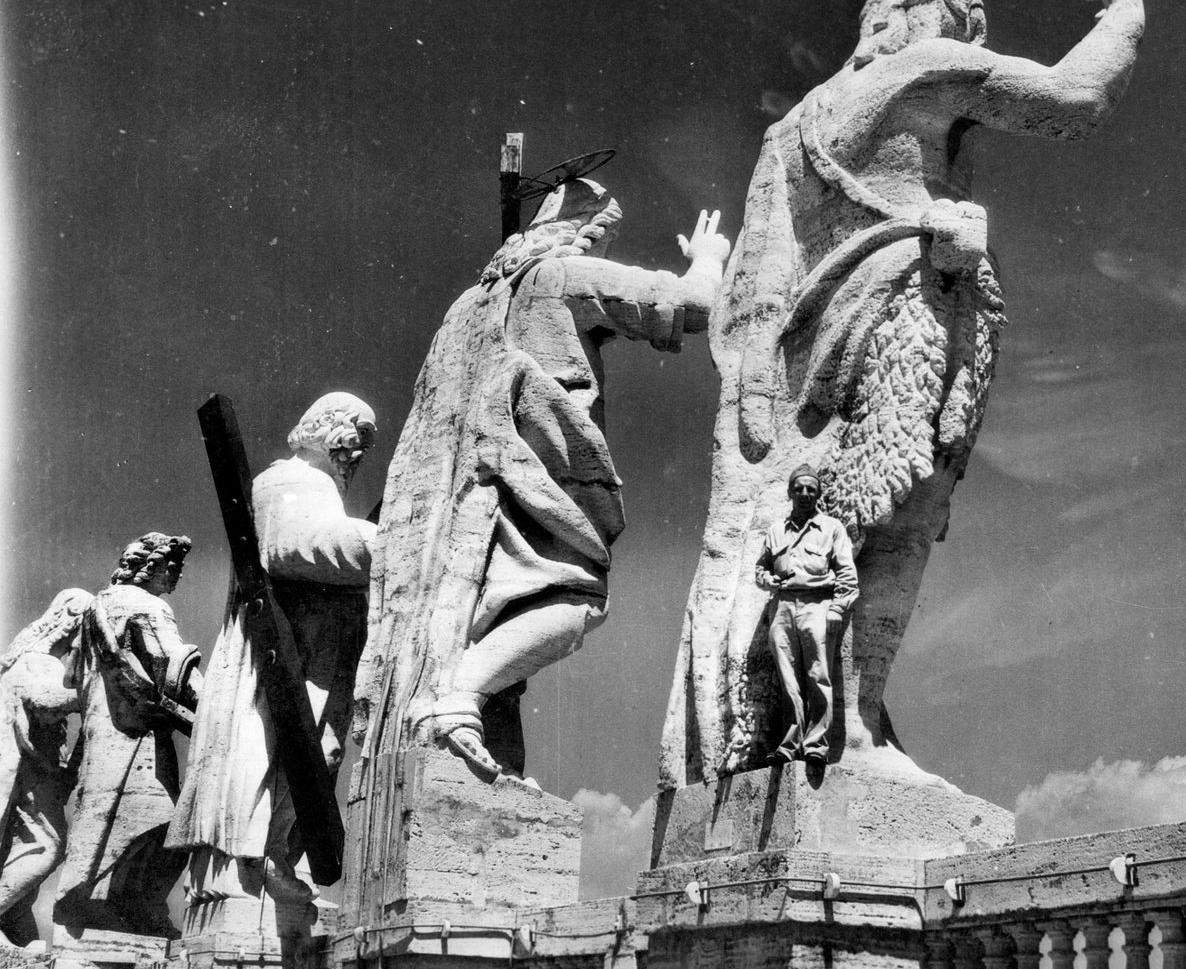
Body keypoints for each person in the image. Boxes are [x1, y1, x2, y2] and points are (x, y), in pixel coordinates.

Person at [661, 0, 1145, 785]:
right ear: (924, 15)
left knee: (840, 516)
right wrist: (1126, 11)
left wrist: (755, 393)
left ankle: (817, 718)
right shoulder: (926, 67)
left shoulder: (791, 128)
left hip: (817, 339)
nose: (967, 43)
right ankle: (851, 723)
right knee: (902, 512)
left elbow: (759, 282)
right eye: (962, 22)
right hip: (911, 300)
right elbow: (1076, 98)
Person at [353, 178, 731, 781]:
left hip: (463, 483)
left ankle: (460, 714)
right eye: (604, 238)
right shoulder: (560, 274)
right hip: (535, 472)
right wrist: (708, 260)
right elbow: (692, 306)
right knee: (576, 598)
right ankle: (455, 699)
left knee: (486, 614)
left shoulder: (468, 305)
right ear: (586, 232)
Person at [168, 394, 377, 904]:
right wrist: (391, 545)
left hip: (313, 651)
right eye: (356, 436)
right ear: (326, 427)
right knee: (270, 746)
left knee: (316, 754)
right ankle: (256, 861)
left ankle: (278, 857)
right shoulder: (288, 480)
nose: (358, 453)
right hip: (278, 652)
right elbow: (294, 544)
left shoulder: (317, 485)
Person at [54, 534, 203, 938]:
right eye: (171, 566)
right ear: (148, 567)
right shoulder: (148, 605)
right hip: (138, 736)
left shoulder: (95, 607)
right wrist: (214, 708)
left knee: (115, 815)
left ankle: (109, 906)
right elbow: (171, 663)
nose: (176, 574)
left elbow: (71, 677)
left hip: (101, 734)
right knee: (167, 820)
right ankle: (122, 907)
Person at [0, 589, 86, 948]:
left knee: (24, 846)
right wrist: (93, 690)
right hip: (28, 773)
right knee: (48, 845)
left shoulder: (30, 659)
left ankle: (14, 925)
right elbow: (44, 702)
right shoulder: (40, 661)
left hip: (32, 772)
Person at [755, 466, 858, 765]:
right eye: (798, 488)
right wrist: (767, 580)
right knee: (788, 679)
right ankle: (789, 746)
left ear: (818, 494)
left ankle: (815, 746)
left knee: (818, 675)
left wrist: (838, 608)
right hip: (782, 606)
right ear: (790, 492)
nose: (804, 494)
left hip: (817, 604)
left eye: (811, 489)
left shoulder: (831, 528)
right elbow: (760, 567)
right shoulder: (776, 531)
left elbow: (847, 574)